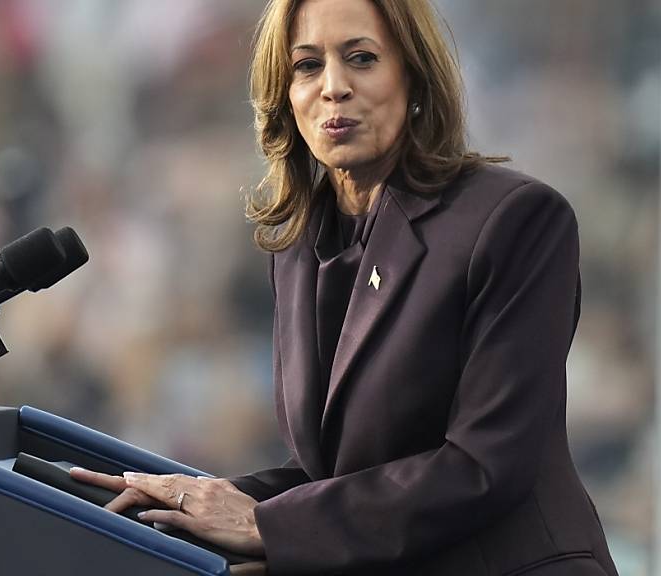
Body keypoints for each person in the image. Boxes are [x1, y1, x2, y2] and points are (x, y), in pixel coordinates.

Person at [71, 0, 619, 574]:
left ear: (414, 74)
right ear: (283, 93)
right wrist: (186, 501)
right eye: (307, 66)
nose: (334, 87)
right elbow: (334, 475)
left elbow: (484, 464)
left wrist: (263, 524)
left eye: (361, 58)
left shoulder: (514, 219)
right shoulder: (297, 246)